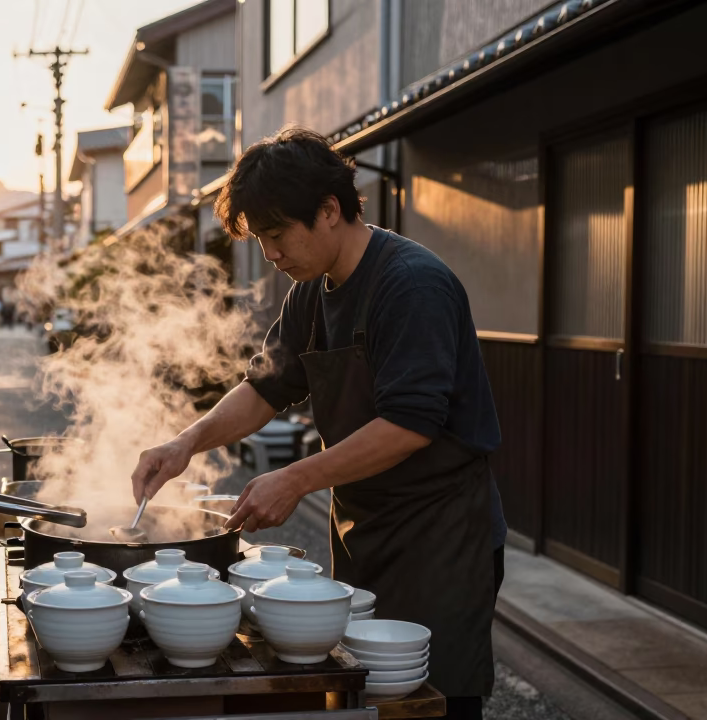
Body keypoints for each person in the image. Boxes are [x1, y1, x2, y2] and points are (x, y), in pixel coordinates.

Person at [130, 127, 506, 720]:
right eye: (261, 240)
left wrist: (296, 478)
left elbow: (410, 424)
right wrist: (186, 443)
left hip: (441, 536)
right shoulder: (311, 292)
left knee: (433, 700)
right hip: (364, 527)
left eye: (277, 235)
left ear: (330, 210)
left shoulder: (410, 284)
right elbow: (264, 388)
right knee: (362, 692)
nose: (270, 255)